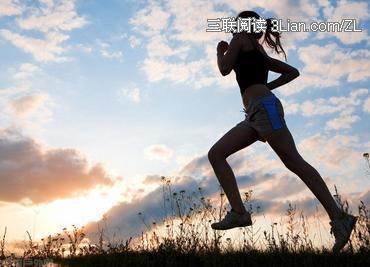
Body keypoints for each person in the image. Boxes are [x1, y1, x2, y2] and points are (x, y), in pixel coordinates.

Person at [208, 10, 357, 253]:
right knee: (216, 154)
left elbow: (224, 68)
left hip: (266, 110)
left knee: (294, 162)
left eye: (235, 23)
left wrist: (219, 51)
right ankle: (239, 213)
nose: (233, 26)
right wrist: (267, 86)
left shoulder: (240, 39)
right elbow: (292, 72)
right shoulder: (257, 49)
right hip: (256, 114)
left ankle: (339, 217)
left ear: (242, 25)